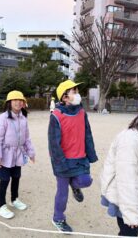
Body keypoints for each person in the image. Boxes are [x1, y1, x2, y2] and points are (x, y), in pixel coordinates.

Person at [48, 80, 98, 233]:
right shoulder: (56, 116)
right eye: (73, 91)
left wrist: (91, 155)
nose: (77, 94)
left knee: (86, 181)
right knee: (62, 193)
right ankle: (58, 218)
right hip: (63, 160)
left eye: (77, 90)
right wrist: (60, 164)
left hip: (80, 158)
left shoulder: (82, 113)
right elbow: (53, 144)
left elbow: (87, 134)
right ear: (64, 97)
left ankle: (75, 186)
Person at [101, 98, 138, 237]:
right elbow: (127, 182)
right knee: (129, 231)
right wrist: (131, 214)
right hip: (123, 195)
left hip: (137, 194)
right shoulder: (130, 141)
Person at [0, 90, 35, 219]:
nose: (18, 102)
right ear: (9, 103)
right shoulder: (3, 118)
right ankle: (0, 206)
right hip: (5, 154)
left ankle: (14, 199)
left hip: (18, 153)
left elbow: (27, 138)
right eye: (15, 100)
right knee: (4, 180)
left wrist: (31, 153)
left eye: (20, 100)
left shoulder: (23, 118)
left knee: (16, 177)